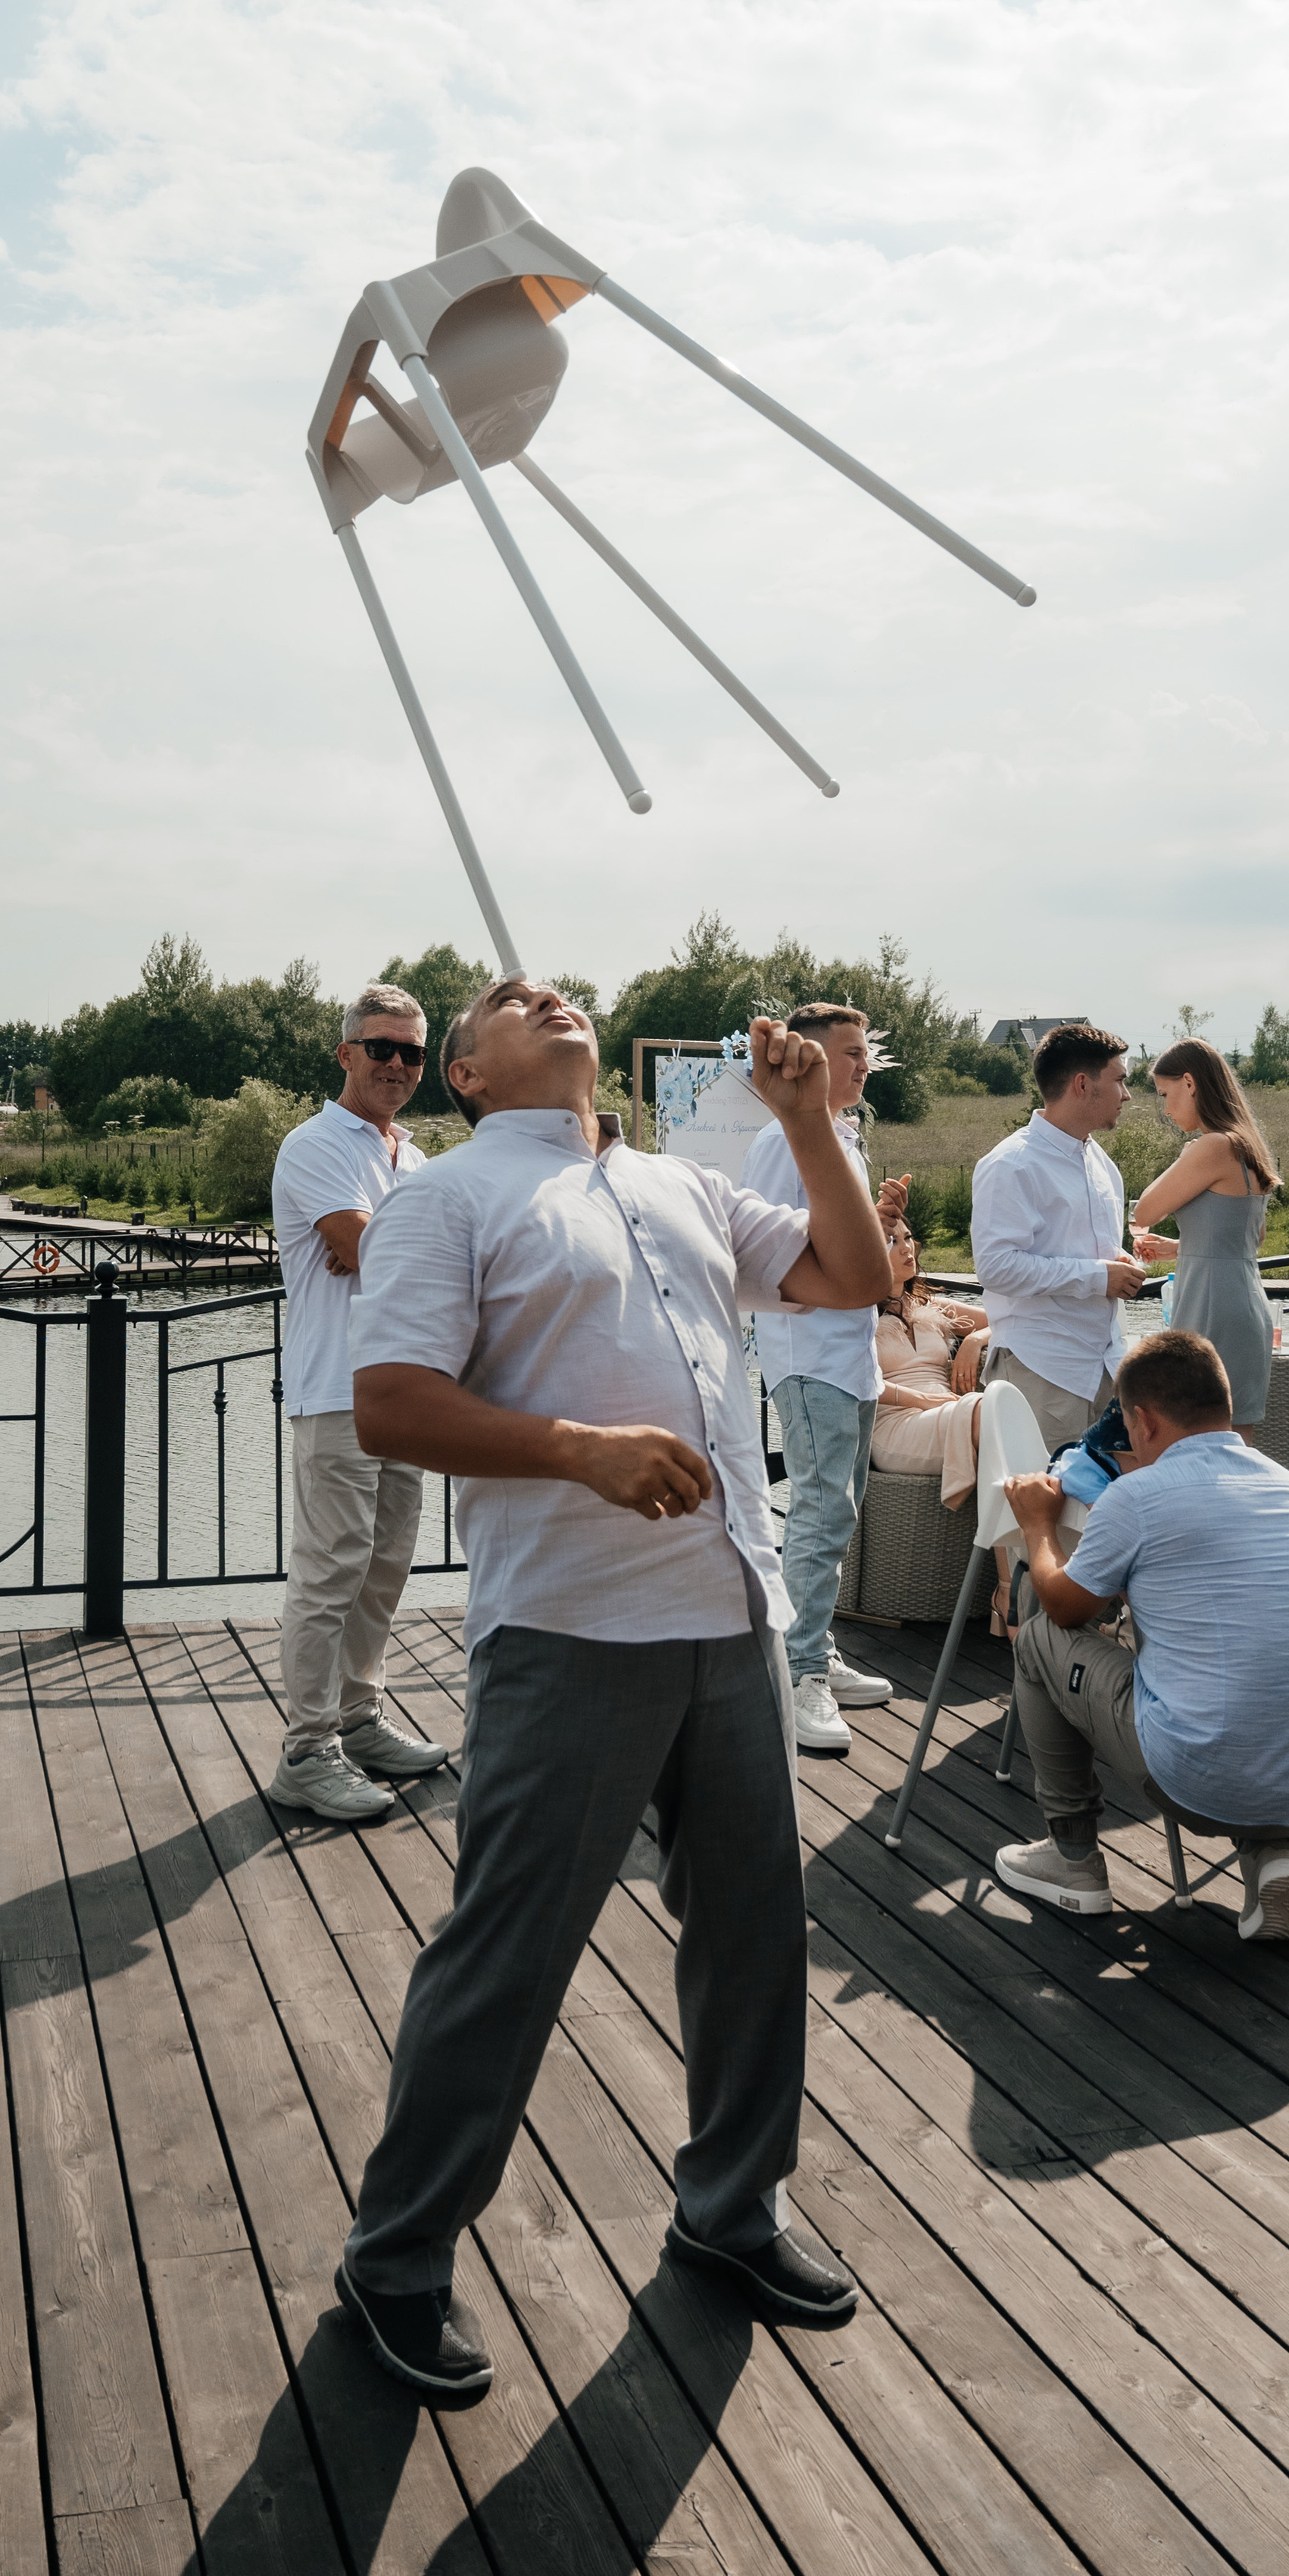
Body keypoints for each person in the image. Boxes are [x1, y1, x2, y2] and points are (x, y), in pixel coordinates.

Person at [334, 978, 894, 2399]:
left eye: (557, 990)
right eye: (508, 1003)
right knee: (508, 1952)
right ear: (465, 1072)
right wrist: (578, 1447)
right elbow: (389, 1402)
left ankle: (732, 2208)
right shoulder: (446, 1198)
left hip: (732, 1608)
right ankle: (395, 2256)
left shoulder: (682, 1183)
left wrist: (810, 1121)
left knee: (755, 1937)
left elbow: (850, 1277)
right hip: (570, 1624)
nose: (547, 997)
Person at [996, 1329, 1289, 1944]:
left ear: (1142, 1421)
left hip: (1197, 1782)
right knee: (1249, 1677)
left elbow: (1062, 1607)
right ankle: (1273, 1857)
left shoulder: (1136, 1496)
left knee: (1036, 1641)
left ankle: (1072, 1857)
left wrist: (1037, 1526)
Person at [265, 983, 450, 1823]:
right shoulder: (315, 1144)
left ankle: (358, 1717)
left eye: (412, 1052)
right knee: (330, 1570)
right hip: (336, 1389)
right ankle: (307, 1752)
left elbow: (415, 1253)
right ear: (346, 1053)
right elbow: (358, 1246)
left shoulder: (413, 1158)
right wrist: (381, 1244)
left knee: (384, 1567)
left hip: (407, 1391)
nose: (397, 1065)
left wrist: (388, 1244)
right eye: (381, 1048)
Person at [739, 1003, 906, 1754]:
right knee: (819, 1511)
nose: (863, 1064)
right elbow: (775, 1246)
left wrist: (878, 1225)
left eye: (865, 1052)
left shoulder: (840, 1136)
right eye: (849, 1053)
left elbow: (830, 1238)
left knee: (837, 1512)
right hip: (810, 1355)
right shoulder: (785, 1138)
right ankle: (798, 1670)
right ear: (804, 1058)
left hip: (848, 1354)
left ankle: (815, 1649)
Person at [971, 1023, 1147, 1614]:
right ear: (1082, 1085)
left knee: (1109, 1523)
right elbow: (997, 1267)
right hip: (1042, 1368)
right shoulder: (1010, 1164)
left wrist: (1118, 1265)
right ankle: (1036, 1654)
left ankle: (1095, 1653)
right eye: (1120, 1080)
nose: (1128, 1093)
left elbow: (1084, 1256)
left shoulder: (1102, 1166)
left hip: (1105, 1365)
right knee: (1041, 1528)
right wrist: (1098, 1277)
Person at [1128, 1038, 1279, 1439]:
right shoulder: (1247, 1144)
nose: (1165, 1109)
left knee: (1192, 1435)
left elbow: (1145, 1211)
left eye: (1165, 1094)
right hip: (1245, 1302)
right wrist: (1181, 1248)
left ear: (1190, 1083)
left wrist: (1185, 1156)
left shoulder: (1212, 1145)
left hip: (1210, 1303)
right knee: (1235, 1437)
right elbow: (1252, 1238)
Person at [870, 1224, 988, 1508]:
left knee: (1001, 1408)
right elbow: (851, 1377)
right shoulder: (859, 1317)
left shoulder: (931, 1305)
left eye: (908, 1237)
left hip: (948, 1410)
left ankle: (1006, 1533)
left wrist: (974, 1340)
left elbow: (1009, 1323)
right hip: (895, 1426)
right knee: (992, 1410)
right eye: (892, 1241)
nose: (906, 1248)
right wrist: (923, 1400)